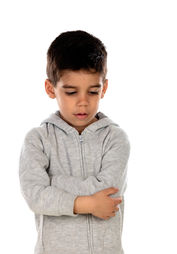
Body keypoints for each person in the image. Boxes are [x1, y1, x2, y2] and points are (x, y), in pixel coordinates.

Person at [19, 30, 131, 254]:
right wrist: (87, 204)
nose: (83, 103)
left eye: (92, 91)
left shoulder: (116, 139)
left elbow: (107, 192)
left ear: (104, 88)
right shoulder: (38, 140)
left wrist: (52, 184)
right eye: (71, 92)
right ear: (51, 89)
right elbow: (35, 196)